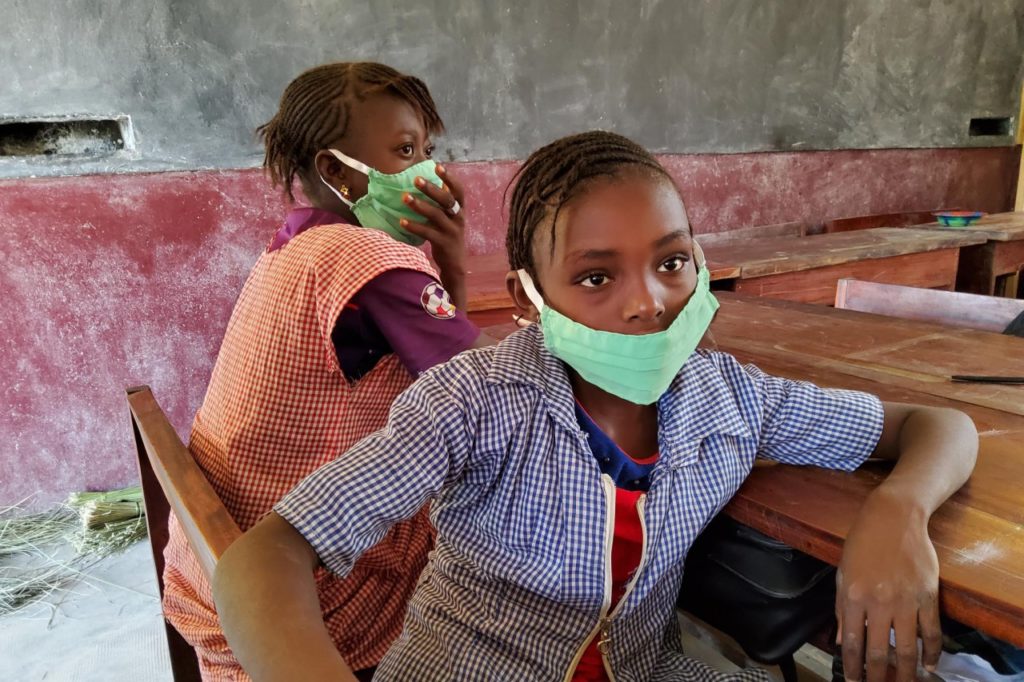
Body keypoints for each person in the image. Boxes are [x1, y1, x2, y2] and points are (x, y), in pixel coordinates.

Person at [213, 131, 978, 682]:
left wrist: (898, 514)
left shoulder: (729, 399)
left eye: (673, 262)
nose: (650, 302)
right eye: (594, 277)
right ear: (527, 298)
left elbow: (938, 424)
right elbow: (265, 559)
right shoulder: (476, 402)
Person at [162, 62, 490, 681]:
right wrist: (452, 258)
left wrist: (442, 260)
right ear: (336, 169)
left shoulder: (296, 243)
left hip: (217, 549)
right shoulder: (372, 256)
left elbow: (447, 372)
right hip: (305, 584)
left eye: (426, 149)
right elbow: (475, 391)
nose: (427, 169)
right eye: (402, 151)